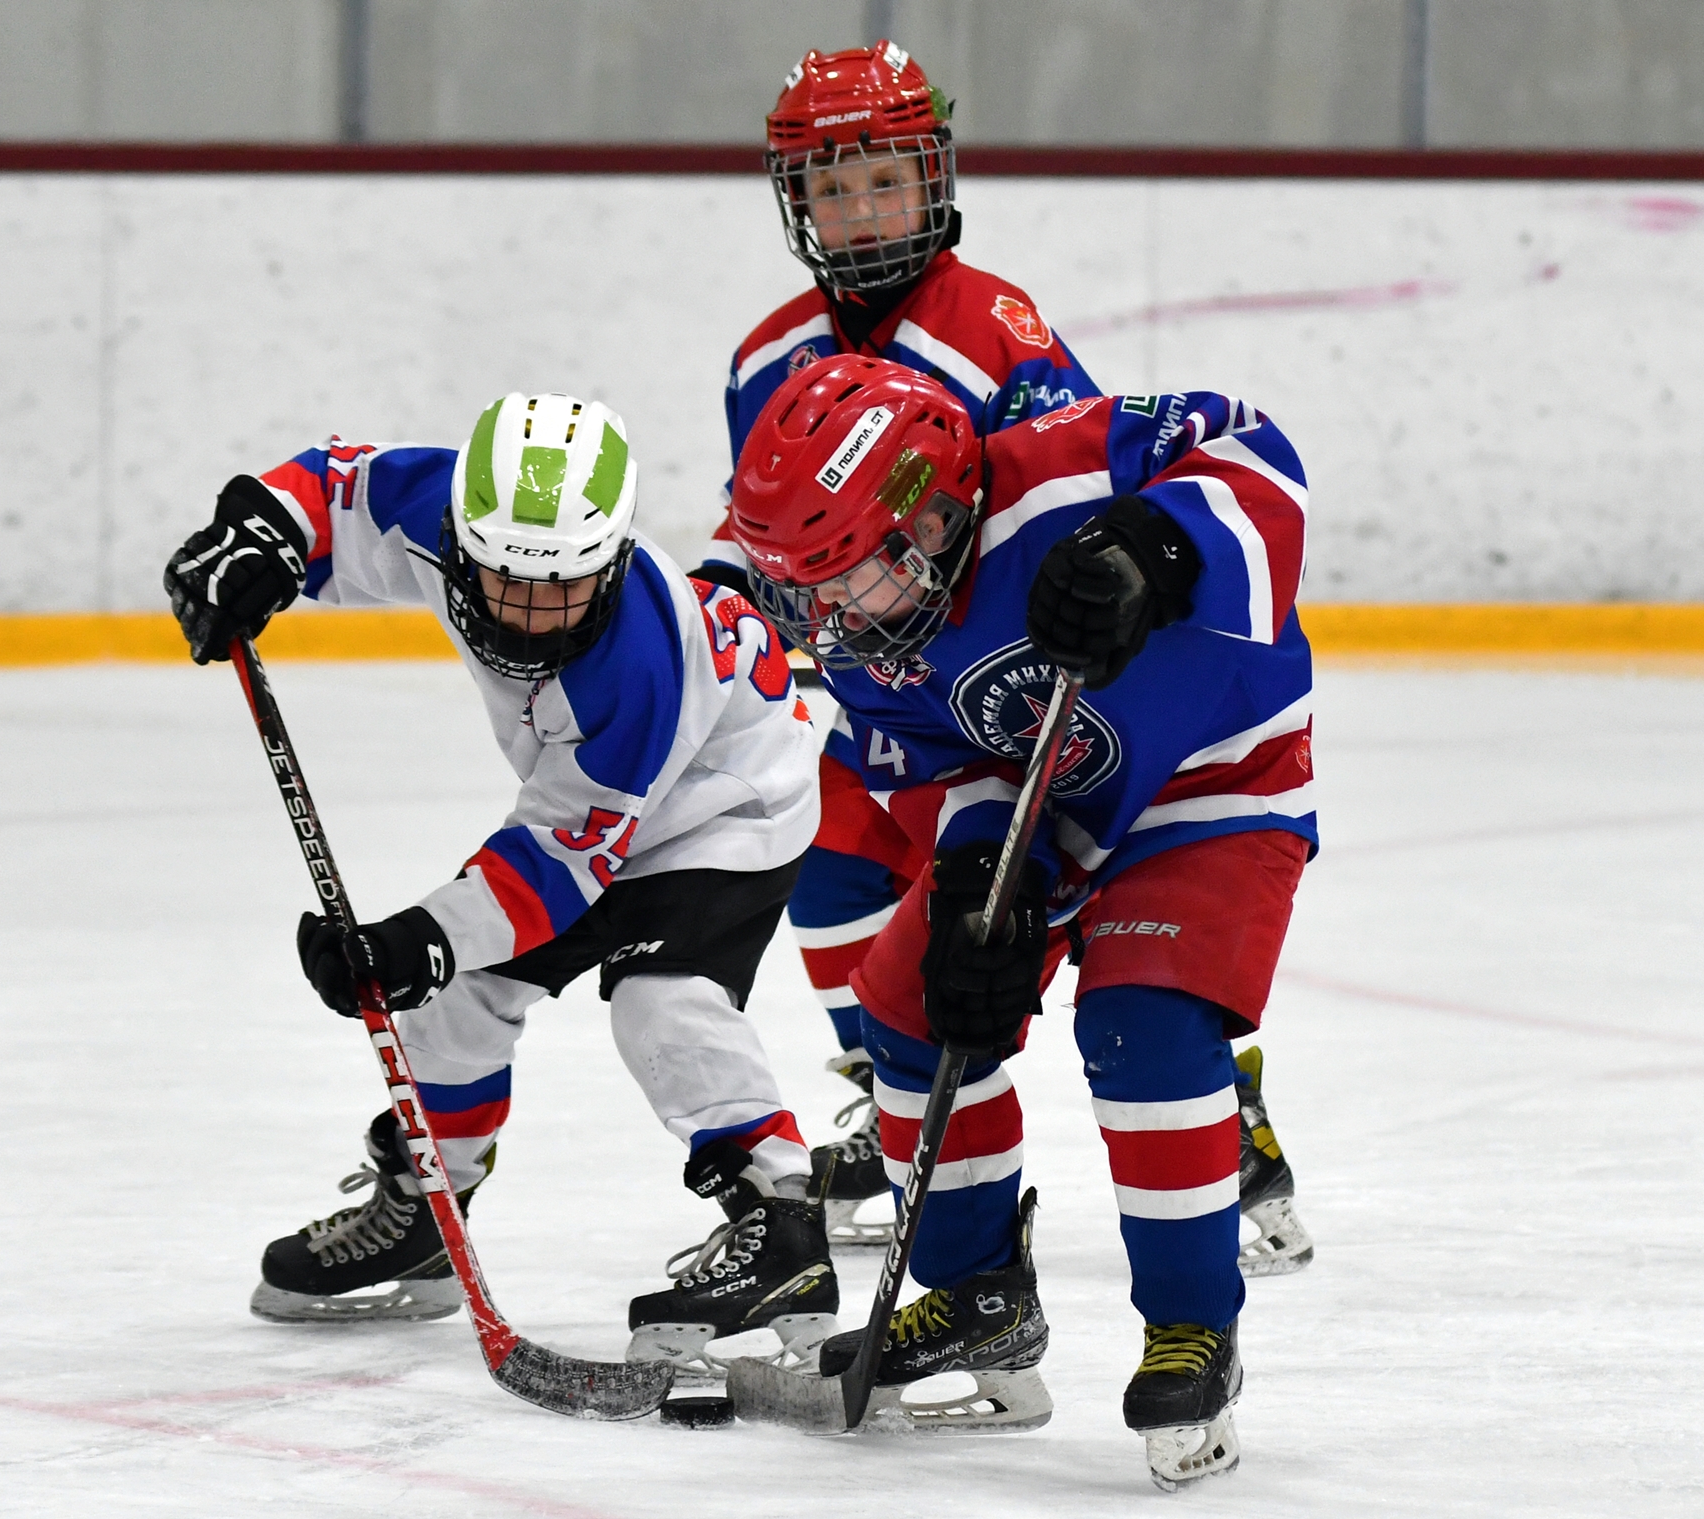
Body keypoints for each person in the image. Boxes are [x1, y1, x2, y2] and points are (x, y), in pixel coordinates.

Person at [697, 39, 1312, 1277]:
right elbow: (764, 528)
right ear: (792, 205)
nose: (860, 211)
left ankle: (1220, 1095)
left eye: (882, 179)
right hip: (889, 680)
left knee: (1072, 894)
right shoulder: (766, 360)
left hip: (1017, 686)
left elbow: (1081, 509)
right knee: (814, 844)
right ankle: (894, 1095)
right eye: (830, 188)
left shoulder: (991, 335)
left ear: (932, 175)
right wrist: (710, 617)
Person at [163, 392, 837, 1381]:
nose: (524, 613)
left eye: (559, 589)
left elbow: (560, 865)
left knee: (662, 1004)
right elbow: (335, 491)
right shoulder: (445, 512)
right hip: (605, 807)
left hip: (727, 805)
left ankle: (782, 1230)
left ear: (606, 559)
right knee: (454, 993)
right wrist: (256, 538)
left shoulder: (635, 668)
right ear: (462, 536)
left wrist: (409, 942)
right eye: (504, 579)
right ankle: (428, 1213)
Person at [727, 355, 1315, 1487]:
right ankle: (974, 1299)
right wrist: (974, 871)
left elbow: (1261, 456)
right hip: (1045, 807)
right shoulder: (868, 645)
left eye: (850, 576)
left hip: (1211, 782)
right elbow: (942, 769)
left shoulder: (1065, 467)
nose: (834, 616)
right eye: (814, 589)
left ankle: (1190, 1328)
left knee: (1143, 1026)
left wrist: (1157, 543)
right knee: (910, 1007)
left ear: (932, 515)